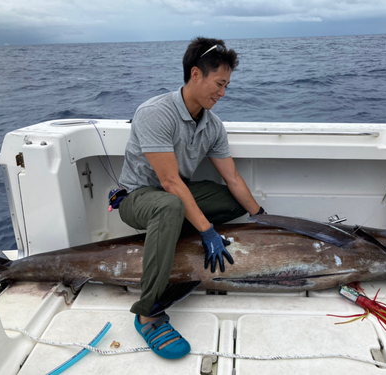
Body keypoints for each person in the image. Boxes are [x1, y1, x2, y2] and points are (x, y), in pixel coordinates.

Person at [117, 37, 265, 360]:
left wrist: (261, 215)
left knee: (233, 201)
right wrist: (207, 231)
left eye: (227, 86)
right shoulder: (156, 113)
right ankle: (148, 312)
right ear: (196, 74)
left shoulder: (212, 126)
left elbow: (233, 179)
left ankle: (174, 231)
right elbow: (169, 182)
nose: (223, 93)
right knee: (171, 205)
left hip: (176, 194)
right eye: (219, 83)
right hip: (139, 197)